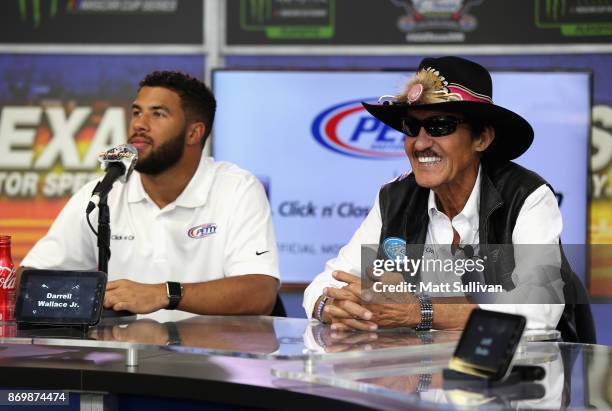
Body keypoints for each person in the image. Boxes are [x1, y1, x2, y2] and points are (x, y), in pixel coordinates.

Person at [304, 56, 584, 341]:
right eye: (411, 127)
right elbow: (324, 283)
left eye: (440, 126)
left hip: (514, 377)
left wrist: (420, 311)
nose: (421, 142)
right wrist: (332, 307)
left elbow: (538, 313)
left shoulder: (526, 196)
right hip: (418, 374)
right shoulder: (395, 196)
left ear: (482, 139)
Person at [20, 71, 280, 321]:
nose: (139, 125)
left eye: (158, 114)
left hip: (214, 360)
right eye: (136, 112)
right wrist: (87, 296)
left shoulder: (237, 189)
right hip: (121, 361)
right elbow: (27, 278)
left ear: (193, 132)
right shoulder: (103, 193)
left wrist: (164, 293)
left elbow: (260, 292)